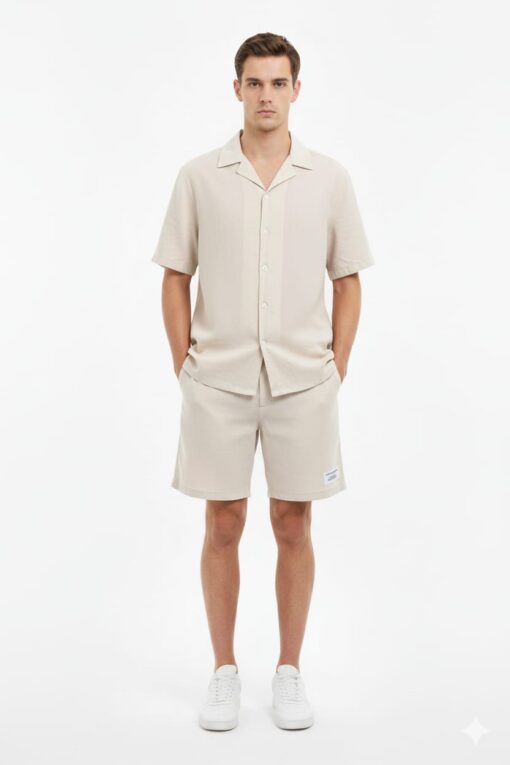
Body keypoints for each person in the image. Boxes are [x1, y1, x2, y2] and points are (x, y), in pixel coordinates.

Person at [151, 32, 375, 731]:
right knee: (223, 521)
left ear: (296, 90)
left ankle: (289, 670)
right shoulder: (199, 176)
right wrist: (185, 364)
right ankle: (223, 669)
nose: (267, 95)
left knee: (293, 522)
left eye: (279, 83)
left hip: (303, 382)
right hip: (217, 380)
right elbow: (175, 276)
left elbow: (348, 280)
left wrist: (335, 367)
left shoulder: (329, 178)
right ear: (237, 89)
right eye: (255, 83)